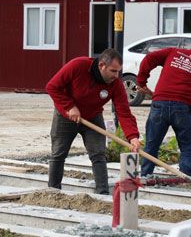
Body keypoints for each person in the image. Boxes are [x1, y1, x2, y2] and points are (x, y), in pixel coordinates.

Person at [46, 48, 141, 195]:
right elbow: (52, 87)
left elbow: (124, 113)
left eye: (118, 72)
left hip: (92, 117)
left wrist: (133, 137)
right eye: (113, 71)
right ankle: (53, 191)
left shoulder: (115, 84)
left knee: (98, 154)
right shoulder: (78, 66)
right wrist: (70, 106)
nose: (117, 76)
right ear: (102, 65)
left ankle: (102, 192)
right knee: (58, 154)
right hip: (66, 116)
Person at [136, 40, 191, 177]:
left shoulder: (174, 52)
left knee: (151, 143)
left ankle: (145, 175)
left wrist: (141, 81)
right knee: (188, 145)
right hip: (184, 108)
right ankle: (185, 176)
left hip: (160, 104)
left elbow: (149, 58)